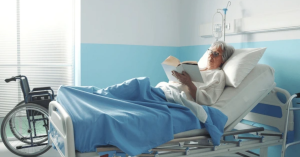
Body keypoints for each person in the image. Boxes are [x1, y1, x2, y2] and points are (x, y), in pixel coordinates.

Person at [168, 41, 234, 106]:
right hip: (168, 90)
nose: (210, 55)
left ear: (223, 59)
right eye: (210, 51)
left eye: (215, 54)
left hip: (176, 95)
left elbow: (208, 100)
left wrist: (188, 83)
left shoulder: (218, 74)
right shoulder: (199, 68)